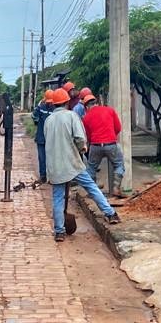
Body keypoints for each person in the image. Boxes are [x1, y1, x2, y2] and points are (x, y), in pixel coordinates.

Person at [44, 88, 120, 242]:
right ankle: (110, 213)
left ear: (54, 104)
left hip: (55, 165)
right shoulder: (71, 116)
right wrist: (82, 148)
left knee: (58, 197)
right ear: (66, 102)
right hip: (72, 163)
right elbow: (80, 138)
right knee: (91, 187)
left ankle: (59, 231)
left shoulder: (49, 120)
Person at [82, 94, 125, 198]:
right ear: (96, 102)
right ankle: (116, 188)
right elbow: (118, 128)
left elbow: (88, 135)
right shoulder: (109, 110)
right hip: (110, 143)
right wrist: (111, 136)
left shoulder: (86, 117)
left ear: (86, 106)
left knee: (91, 168)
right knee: (119, 164)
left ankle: (93, 192)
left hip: (95, 145)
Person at [32, 89, 54, 183]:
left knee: (52, 158)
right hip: (41, 137)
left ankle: (52, 177)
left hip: (52, 138)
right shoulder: (41, 107)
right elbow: (34, 116)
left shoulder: (55, 109)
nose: (49, 104)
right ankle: (43, 176)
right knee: (42, 158)